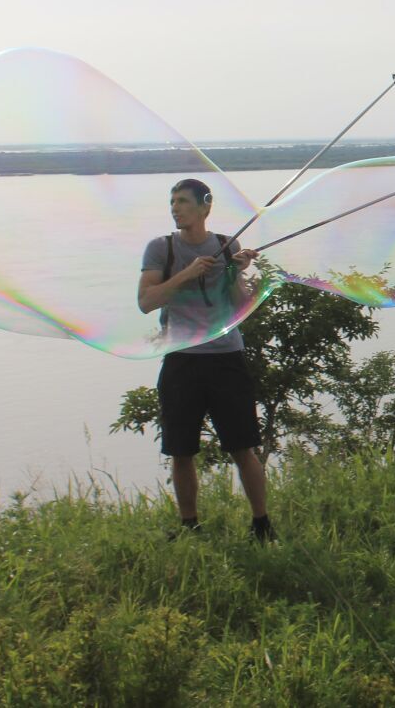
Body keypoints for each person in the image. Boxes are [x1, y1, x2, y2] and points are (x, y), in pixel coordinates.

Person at [137, 178, 276, 542]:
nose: (175, 208)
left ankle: (261, 524)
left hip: (226, 357)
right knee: (180, 450)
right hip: (182, 359)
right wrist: (186, 273)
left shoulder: (226, 245)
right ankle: (189, 526)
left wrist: (235, 272)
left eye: (183, 201)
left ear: (205, 207)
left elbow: (240, 307)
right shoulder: (160, 249)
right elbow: (146, 301)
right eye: (172, 202)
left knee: (243, 445)